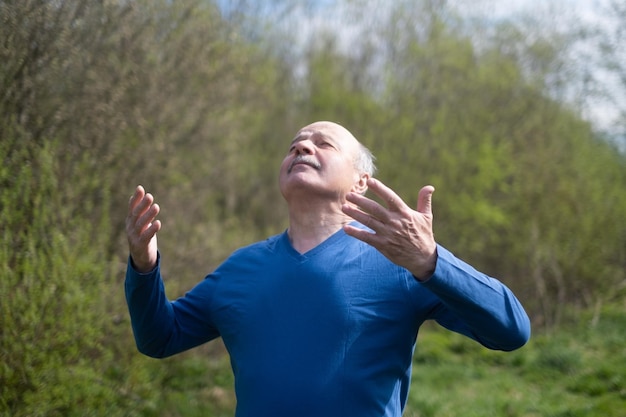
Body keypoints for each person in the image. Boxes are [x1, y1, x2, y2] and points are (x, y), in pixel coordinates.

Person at [125, 121, 530, 417]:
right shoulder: (240, 268)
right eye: (294, 146)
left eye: (324, 144)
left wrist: (431, 260)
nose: (302, 148)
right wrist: (145, 267)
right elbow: (160, 337)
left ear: (360, 182)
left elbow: (511, 331)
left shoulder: (400, 262)